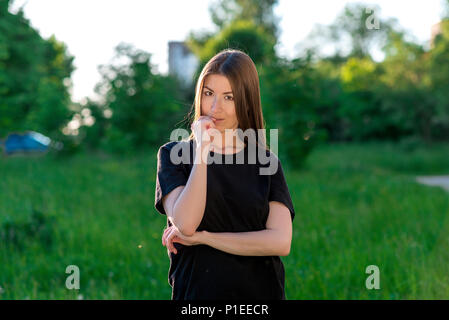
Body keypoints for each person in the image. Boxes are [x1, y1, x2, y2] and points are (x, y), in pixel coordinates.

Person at [154, 48, 295, 300]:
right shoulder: (173, 155)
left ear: (246, 101)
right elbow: (185, 223)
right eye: (209, 94)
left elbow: (280, 241)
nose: (215, 107)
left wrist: (206, 238)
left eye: (229, 97)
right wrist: (202, 151)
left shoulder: (266, 161)